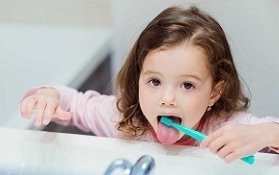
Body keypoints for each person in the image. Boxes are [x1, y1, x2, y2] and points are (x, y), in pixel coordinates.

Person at [19, 5, 279, 163]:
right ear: (138, 78)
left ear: (214, 92)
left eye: (187, 85)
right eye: (154, 81)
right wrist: (48, 96)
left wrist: (266, 133)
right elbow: (72, 103)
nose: (167, 99)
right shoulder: (123, 120)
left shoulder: (228, 131)